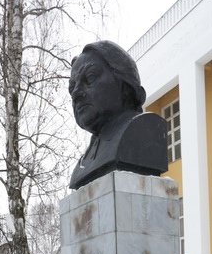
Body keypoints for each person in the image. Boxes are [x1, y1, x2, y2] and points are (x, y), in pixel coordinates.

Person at [68, 40, 167, 189]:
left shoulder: (141, 132)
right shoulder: (83, 165)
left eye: (90, 78)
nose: (75, 94)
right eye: (72, 88)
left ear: (124, 83)